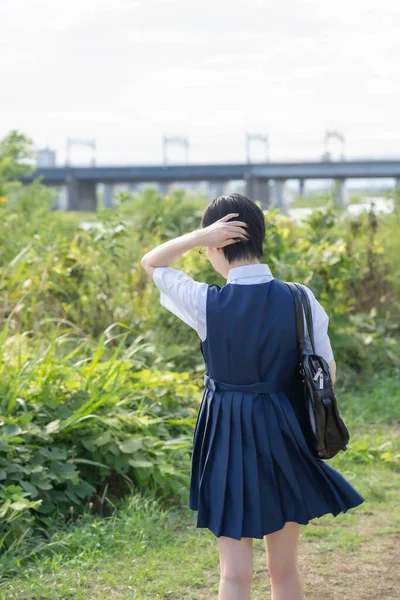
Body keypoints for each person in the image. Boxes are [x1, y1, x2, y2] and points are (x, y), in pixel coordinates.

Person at [141, 193, 365, 600]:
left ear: (216, 245)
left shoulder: (207, 302)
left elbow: (152, 262)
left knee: (234, 575)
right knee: (284, 571)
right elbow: (325, 371)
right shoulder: (300, 298)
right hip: (286, 432)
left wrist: (196, 236)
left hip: (226, 434)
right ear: (260, 237)